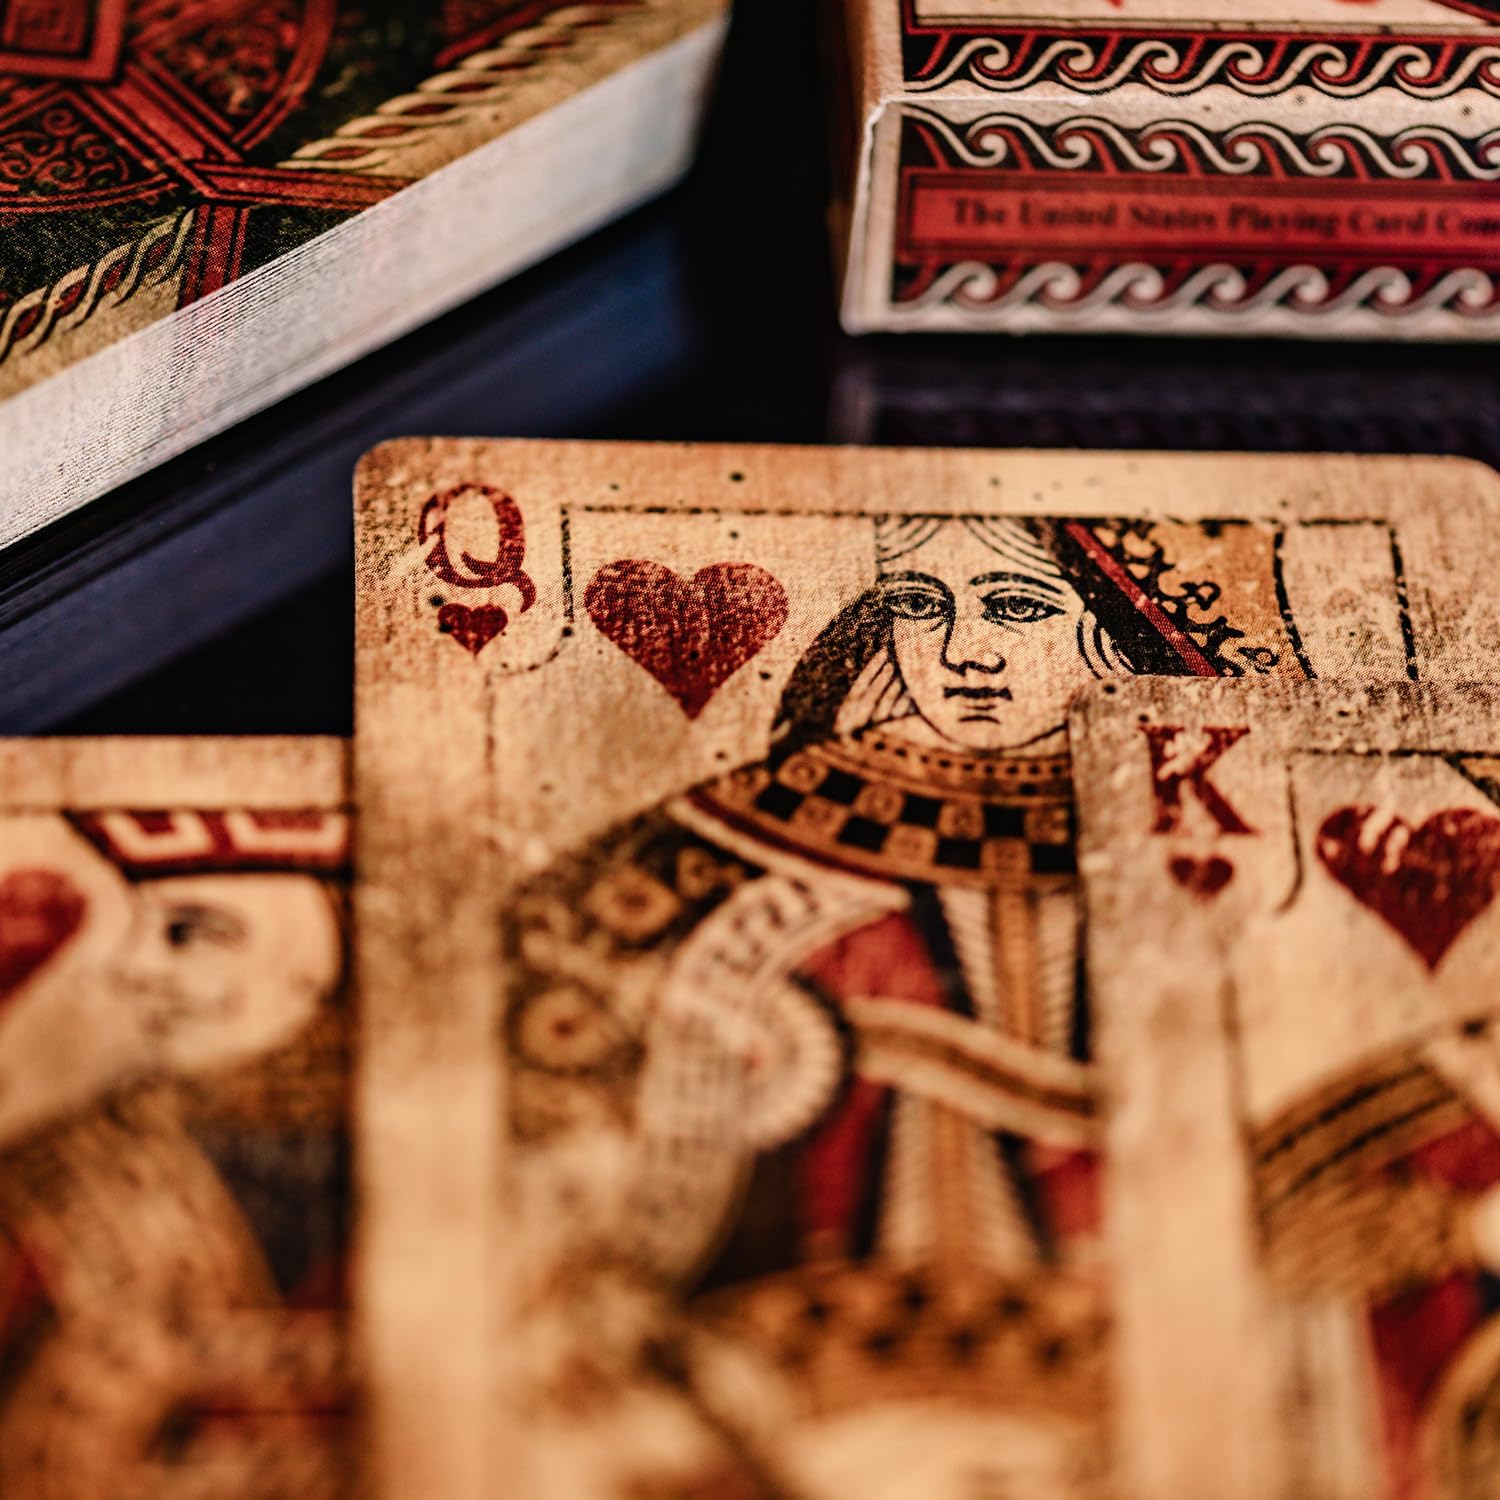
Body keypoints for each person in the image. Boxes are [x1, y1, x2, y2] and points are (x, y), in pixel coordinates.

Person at [505, 514, 1284, 1497]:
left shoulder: (1201, 842)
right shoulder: (749, 834)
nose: (965, 651)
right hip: (812, 1329)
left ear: (1102, 634)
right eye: (920, 607)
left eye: (1016, 607)